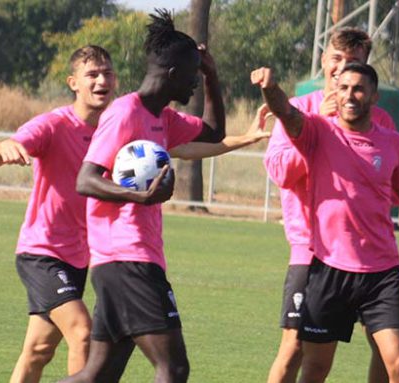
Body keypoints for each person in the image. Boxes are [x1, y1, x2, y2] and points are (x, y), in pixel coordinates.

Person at [58, 10, 268, 383]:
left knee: (97, 376)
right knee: (173, 368)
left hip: (129, 262)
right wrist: (140, 197)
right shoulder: (124, 113)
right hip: (127, 258)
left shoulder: (165, 120)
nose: (192, 88)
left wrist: (211, 74)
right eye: (190, 78)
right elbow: (85, 180)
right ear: (172, 75)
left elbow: (216, 132)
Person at [253, 63, 399, 383]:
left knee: (397, 361)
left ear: (374, 97)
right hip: (328, 268)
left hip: (382, 272)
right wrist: (269, 89)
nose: (349, 95)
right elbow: (287, 113)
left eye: (358, 89)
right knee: (315, 368)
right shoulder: (318, 131)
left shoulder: (393, 143)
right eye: (343, 88)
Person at [0, 45, 116, 383]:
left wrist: (242, 138)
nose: (102, 80)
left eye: (107, 73)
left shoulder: (113, 129)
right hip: (41, 253)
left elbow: (183, 144)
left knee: (38, 351)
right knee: (83, 331)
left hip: (77, 259)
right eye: (92, 74)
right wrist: (4, 149)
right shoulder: (54, 124)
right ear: (74, 82)